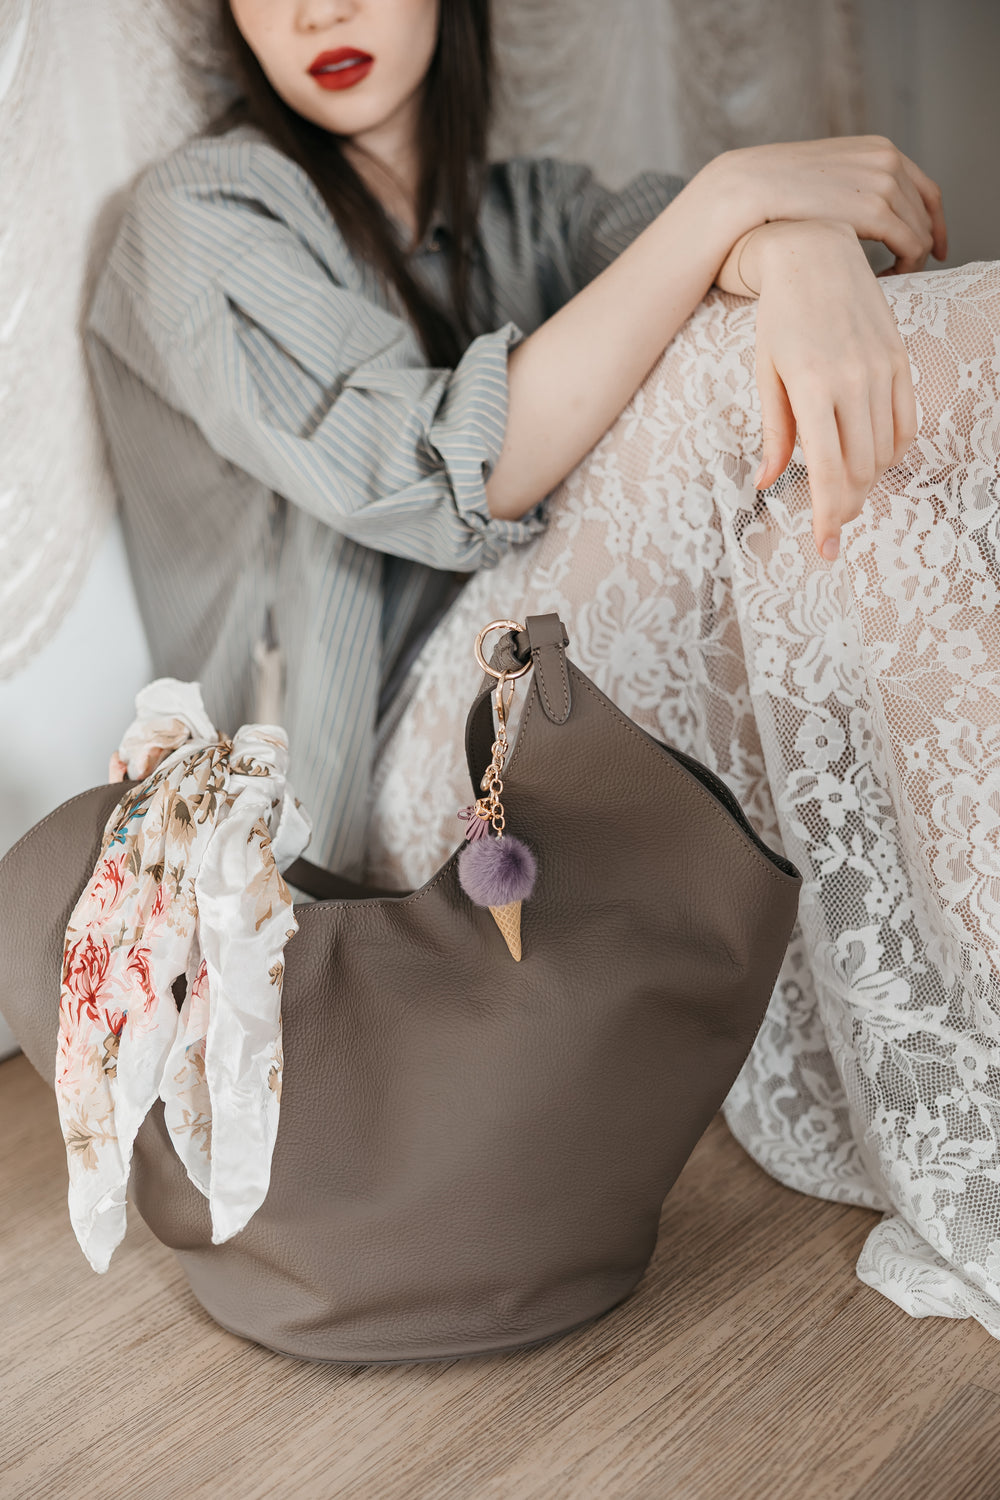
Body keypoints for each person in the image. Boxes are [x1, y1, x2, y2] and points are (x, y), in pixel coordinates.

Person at [83, 3, 1000, 1335]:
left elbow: (735, 260)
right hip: (385, 802)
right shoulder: (197, 218)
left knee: (849, 496)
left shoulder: (522, 208)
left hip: (545, 706)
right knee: (726, 376)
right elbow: (441, 473)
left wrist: (787, 245)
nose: (317, 7)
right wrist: (741, 200)